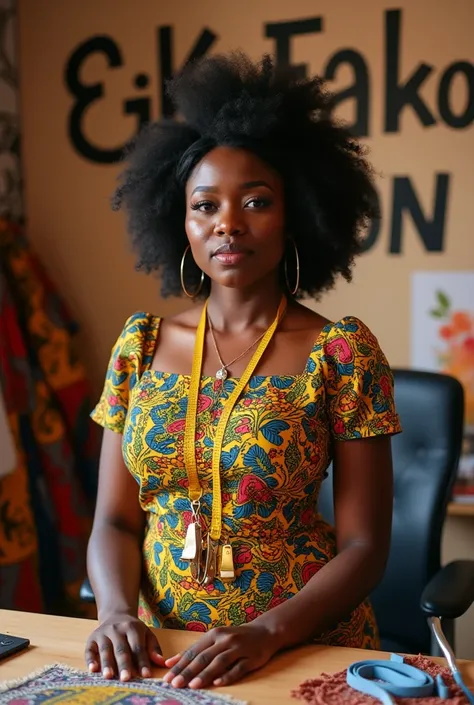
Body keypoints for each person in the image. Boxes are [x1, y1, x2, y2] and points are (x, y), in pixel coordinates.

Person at [85, 52, 401, 690]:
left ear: (297, 217)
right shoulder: (140, 346)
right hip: (161, 655)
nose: (227, 222)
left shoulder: (341, 352)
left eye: (256, 201)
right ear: (181, 222)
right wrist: (117, 614)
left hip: (298, 647)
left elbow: (366, 548)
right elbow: (115, 521)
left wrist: (269, 633)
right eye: (205, 205)